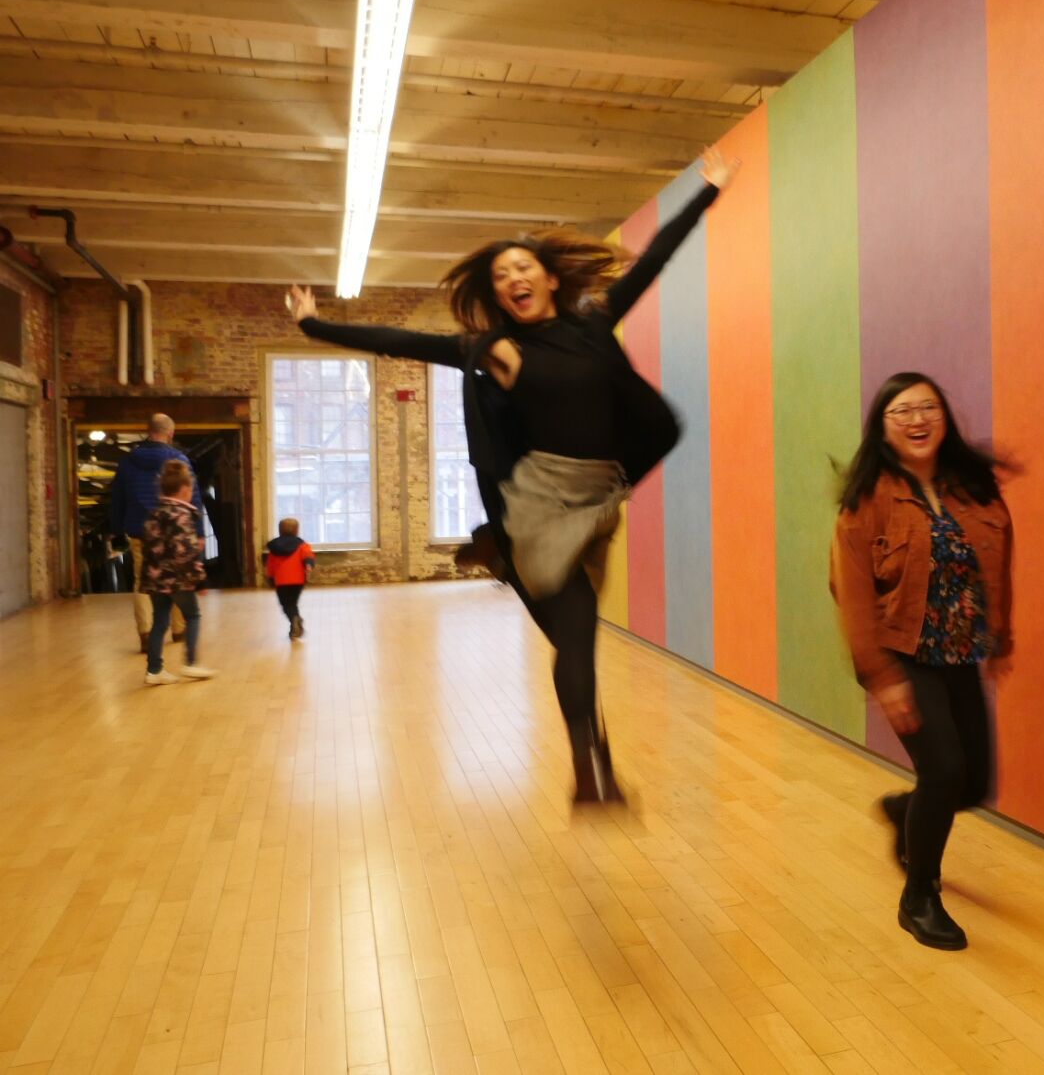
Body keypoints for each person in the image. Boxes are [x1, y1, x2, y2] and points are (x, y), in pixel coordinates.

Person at [286, 146, 739, 803]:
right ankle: (589, 772)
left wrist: (707, 192)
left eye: (522, 267)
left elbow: (660, 258)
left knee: (573, 640)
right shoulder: (493, 348)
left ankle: (594, 755)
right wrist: (312, 325)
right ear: (497, 292)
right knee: (578, 633)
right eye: (501, 275)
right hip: (538, 503)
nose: (512, 279)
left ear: (549, 278)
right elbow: (402, 341)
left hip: (598, 500)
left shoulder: (592, 325)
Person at [830, 372, 1016, 951]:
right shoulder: (867, 503)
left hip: (960, 652)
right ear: (883, 428)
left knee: (974, 782)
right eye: (902, 411)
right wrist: (882, 678)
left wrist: (1000, 638)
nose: (917, 419)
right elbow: (852, 594)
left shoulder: (974, 488)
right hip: (904, 652)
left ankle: (904, 810)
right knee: (943, 771)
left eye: (928, 407)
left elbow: (999, 560)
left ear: (944, 417)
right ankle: (919, 896)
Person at [109, 413, 205, 651]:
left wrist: (116, 530)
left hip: (141, 530)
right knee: (177, 576)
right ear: (170, 434)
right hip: (176, 528)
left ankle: (145, 633)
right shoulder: (179, 460)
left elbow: (117, 499)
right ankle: (179, 630)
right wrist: (199, 531)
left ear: (147, 430)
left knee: (142, 581)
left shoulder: (128, 462)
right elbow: (194, 498)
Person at [141, 460, 217, 686]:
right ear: (184, 490)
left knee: (159, 622)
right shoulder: (181, 516)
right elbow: (184, 553)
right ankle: (191, 663)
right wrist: (200, 580)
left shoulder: (154, 514)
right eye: (191, 490)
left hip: (154, 578)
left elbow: (150, 547)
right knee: (192, 616)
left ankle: (154, 670)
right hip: (177, 579)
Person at [264, 518, 316, 639]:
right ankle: (295, 622)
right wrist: (308, 564)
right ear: (297, 530)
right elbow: (308, 556)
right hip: (298, 580)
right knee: (293, 602)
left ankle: (294, 620)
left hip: (281, 581)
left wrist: (271, 578)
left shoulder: (275, 548)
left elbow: (270, 564)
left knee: (286, 604)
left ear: (279, 530)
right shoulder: (302, 545)